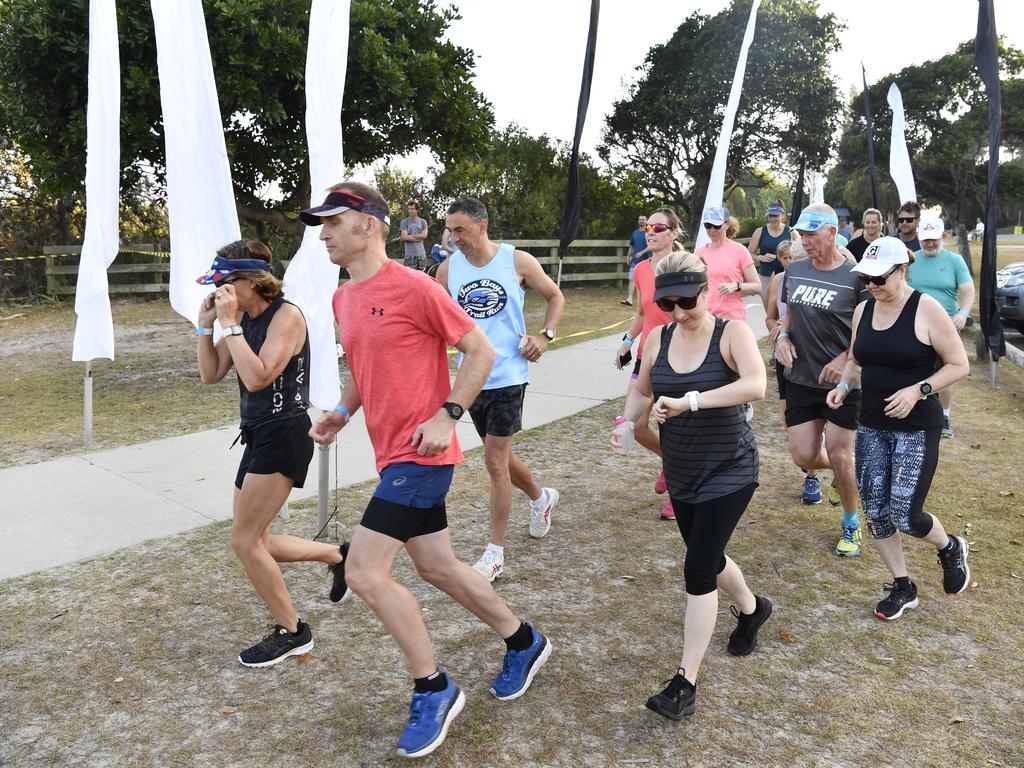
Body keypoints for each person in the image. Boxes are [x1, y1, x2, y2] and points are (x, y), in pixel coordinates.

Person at [303, 183, 551, 759]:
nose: (323, 234)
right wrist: (342, 412)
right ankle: (524, 641)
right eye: (321, 225)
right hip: (391, 453)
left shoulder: (416, 286)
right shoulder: (345, 298)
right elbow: (367, 368)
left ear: (370, 225)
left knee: (364, 572)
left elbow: (481, 351)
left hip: (423, 455)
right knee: (438, 566)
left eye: (333, 222)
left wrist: (449, 414)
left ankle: (434, 687)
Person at [611, 250, 770, 720]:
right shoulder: (658, 337)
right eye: (668, 305)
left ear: (705, 291)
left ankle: (685, 683)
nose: (679, 313)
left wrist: (690, 401)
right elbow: (642, 387)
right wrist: (626, 422)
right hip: (682, 470)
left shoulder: (731, 333)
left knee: (698, 569)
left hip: (730, 470)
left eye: (687, 302)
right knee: (711, 557)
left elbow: (756, 384)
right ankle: (753, 607)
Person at [195, 240, 348, 668]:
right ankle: (338, 556)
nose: (219, 292)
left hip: (285, 434)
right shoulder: (240, 319)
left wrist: (230, 325)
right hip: (257, 434)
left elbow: (260, 377)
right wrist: (208, 326)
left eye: (225, 284)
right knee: (256, 540)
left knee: (243, 541)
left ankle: (294, 631)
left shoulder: (287, 316)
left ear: (249, 281)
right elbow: (211, 375)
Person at [827, 236, 971, 620]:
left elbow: (959, 364)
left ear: (902, 270)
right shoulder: (863, 309)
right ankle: (903, 585)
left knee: (906, 513)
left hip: (917, 426)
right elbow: (857, 358)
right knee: (875, 510)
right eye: (866, 279)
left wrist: (918, 390)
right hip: (872, 423)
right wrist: (843, 385)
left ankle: (950, 546)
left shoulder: (927, 309)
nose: (872, 285)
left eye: (879, 278)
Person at [436, 196, 565, 582]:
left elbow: (555, 296)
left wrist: (546, 335)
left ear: (482, 225)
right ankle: (542, 498)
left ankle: (494, 553)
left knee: (494, 460)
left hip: (509, 373)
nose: (454, 236)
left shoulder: (516, 261)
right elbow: (436, 318)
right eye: (450, 229)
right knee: (501, 456)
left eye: (460, 229)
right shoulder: (447, 270)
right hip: (470, 378)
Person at [774, 203, 868, 556]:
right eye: (801, 234)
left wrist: (845, 358)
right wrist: (783, 337)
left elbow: (867, 330)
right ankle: (845, 479)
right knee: (803, 456)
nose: (805, 241)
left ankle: (851, 522)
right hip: (800, 377)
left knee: (840, 453)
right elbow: (788, 319)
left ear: (833, 233)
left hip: (844, 383)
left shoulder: (857, 276)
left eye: (812, 234)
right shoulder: (795, 270)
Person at [614, 208, 678, 520]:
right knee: (637, 426)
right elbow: (642, 312)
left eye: (658, 227)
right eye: (648, 227)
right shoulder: (641, 269)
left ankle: (680, 494)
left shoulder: (683, 266)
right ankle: (673, 463)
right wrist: (628, 339)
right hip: (646, 355)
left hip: (680, 355)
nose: (650, 231)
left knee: (676, 427)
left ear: (673, 233)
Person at [907, 216, 974, 438]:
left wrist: (963, 313)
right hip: (913, 324)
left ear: (943, 236)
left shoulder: (955, 261)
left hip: (945, 324)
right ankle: (911, 408)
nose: (929, 244)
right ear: (919, 238)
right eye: (925, 240)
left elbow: (967, 290)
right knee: (911, 368)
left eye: (934, 239)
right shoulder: (911, 260)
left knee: (946, 370)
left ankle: (944, 415)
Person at [695, 206, 760, 322]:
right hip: (705, 319)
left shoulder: (740, 250)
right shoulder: (698, 253)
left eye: (717, 225)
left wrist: (736, 286)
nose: (712, 230)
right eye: (708, 225)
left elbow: (757, 286)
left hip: (732, 318)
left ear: (727, 225)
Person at [747, 201, 792, 302]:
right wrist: (760, 257)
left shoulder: (791, 232)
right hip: (765, 277)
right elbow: (748, 255)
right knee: (770, 314)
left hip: (786, 277)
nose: (772, 219)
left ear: (782, 215)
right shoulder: (760, 231)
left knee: (783, 310)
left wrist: (788, 259)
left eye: (775, 216)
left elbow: (800, 254)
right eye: (770, 216)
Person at [622, 214, 652, 305]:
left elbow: (652, 246)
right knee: (631, 278)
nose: (641, 221)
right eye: (640, 220)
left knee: (646, 280)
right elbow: (631, 246)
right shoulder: (635, 232)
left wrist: (642, 252)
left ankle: (647, 300)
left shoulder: (649, 230)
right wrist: (628, 256)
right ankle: (629, 299)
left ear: (647, 221)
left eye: (643, 220)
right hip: (635, 260)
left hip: (647, 259)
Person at [400, 198, 429, 271]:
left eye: (412, 209)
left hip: (421, 254)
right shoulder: (404, 222)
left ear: (417, 210)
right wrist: (419, 237)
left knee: (421, 278)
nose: (410, 211)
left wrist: (410, 237)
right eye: (409, 209)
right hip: (409, 255)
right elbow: (404, 237)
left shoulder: (423, 222)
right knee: (409, 278)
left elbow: (424, 236)